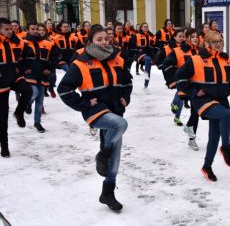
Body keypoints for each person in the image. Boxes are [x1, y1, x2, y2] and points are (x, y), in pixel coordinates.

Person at [58, 26, 132, 211]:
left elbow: (127, 81)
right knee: (120, 125)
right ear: (90, 42)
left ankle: (107, 193)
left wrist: (125, 96)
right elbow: (64, 89)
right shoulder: (81, 63)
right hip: (95, 111)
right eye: (99, 39)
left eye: (106, 38)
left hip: (115, 109)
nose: (105, 42)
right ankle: (103, 153)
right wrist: (83, 103)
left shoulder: (118, 60)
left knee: (115, 158)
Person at [175, 31, 230, 181]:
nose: (218, 44)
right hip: (203, 100)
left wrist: (229, 88)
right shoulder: (196, 59)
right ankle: (226, 148)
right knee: (226, 115)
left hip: (221, 99)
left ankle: (207, 167)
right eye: (214, 41)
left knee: (214, 136)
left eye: (220, 41)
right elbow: (180, 75)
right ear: (207, 43)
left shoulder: (228, 60)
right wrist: (193, 91)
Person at [0, 18, 33, 157]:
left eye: (11, 29)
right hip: (1, 81)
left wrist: (22, 68)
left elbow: (30, 56)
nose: (9, 31)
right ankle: (4, 146)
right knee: (2, 116)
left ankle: (19, 112)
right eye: (6, 29)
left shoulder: (19, 41)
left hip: (14, 75)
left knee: (28, 90)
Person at [21, 23, 57, 132]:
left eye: (38, 29)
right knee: (34, 92)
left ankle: (37, 123)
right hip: (29, 74)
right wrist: (24, 68)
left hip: (43, 75)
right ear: (28, 30)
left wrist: (50, 69)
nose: (36, 31)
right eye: (33, 29)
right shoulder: (23, 43)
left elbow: (55, 58)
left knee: (40, 101)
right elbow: (18, 58)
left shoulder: (48, 43)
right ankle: (27, 104)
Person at [131, 23, 156, 94]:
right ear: (141, 28)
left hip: (149, 53)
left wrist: (154, 50)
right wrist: (137, 50)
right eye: (144, 27)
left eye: (147, 27)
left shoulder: (150, 36)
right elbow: (132, 45)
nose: (146, 28)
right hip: (140, 54)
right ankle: (145, 72)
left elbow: (155, 44)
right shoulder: (137, 35)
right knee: (147, 59)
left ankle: (145, 86)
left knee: (149, 71)